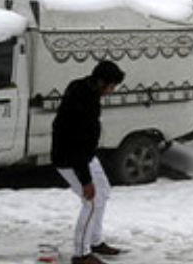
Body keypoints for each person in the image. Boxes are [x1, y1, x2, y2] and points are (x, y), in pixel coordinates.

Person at [52, 60, 126, 264]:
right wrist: (86, 181)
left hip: (84, 155)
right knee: (91, 200)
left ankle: (95, 241)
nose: (111, 91)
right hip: (70, 158)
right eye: (111, 86)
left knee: (104, 191)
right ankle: (81, 254)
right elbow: (76, 144)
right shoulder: (84, 101)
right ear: (101, 81)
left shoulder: (83, 87)